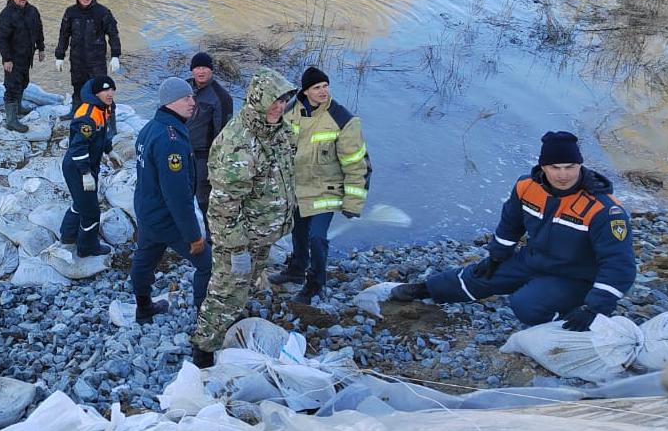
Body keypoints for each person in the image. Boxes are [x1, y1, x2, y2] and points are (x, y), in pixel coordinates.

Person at [391, 131, 636, 331]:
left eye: (570, 166)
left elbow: (620, 266)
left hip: (575, 277)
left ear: (580, 165)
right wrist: (497, 255)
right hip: (533, 260)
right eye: (555, 167)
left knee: (525, 305)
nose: (563, 175)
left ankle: (573, 316)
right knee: (479, 274)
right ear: (543, 166)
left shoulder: (604, 210)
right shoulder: (526, 187)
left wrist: (595, 307)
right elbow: (511, 223)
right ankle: (426, 289)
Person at [191, 68, 297, 367]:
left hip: (263, 234)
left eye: (284, 101)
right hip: (240, 239)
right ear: (257, 101)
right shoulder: (238, 142)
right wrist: (236, 249)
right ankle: (203, 349)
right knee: (225, 291)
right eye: (273, 101)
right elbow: (224, 205)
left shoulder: (281, 133)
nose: (279, 107)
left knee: (246, 286)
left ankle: (232, 327)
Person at [268, 67, 371, 303]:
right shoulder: (292, 109)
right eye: (317, 87)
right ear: (306, 91)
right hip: (298, 188)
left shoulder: (342, 119)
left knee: (317, 237)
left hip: (327, 190)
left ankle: (316, 283)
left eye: (325, 86)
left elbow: (357, 165)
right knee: (299, 232)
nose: (323, 91)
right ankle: (296, 270)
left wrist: (352, 203)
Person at [130, 78, 212, 335]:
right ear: (170, 102)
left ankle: (143, 308)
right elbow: (177, 196)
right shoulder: (172, 140)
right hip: (167, 218)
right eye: (186, 98)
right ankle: (205, 320)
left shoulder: (150, 128)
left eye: (192, 97)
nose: (192, 102)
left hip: (147, 212)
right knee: (207, 264)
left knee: (145, 259)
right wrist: (193, 236)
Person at [60, 75, 117, 257]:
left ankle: (68, 235)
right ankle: (87, 247)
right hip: (78, 166)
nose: (109, 93)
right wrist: (85, 173)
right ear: (96, 93)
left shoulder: (103, 108)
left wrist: (109, 150)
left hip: (87, 164)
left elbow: (101, 134)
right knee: (91, 210)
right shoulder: (87, 116)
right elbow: (78, 147)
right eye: (105, 90)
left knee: (81, 202)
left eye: (111, 89)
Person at [54, 0, 121, 117]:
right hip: (77, 59)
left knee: (103, 89)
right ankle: (76, 112)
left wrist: (115, 55)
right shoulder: (70, 12)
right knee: (78, 87)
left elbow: (113, 34)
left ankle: (109, 118)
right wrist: (59, 56)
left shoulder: (102, 12)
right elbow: (64, 35)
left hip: (97, 60)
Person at [184, 51, 235, 230]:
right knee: (181, 195)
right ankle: (187, 234)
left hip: (203, 156)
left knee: (203, 199)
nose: (201, 71)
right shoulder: (185, 89)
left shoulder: (221, 97)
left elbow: (224, 134)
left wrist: (217, 163)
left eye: (205, 67)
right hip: (182, 151)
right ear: (192, 71)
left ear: (211, 70)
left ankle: (211, 238)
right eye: (197, 68)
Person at [0, 0, 45, 134]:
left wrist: (41, 48)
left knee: (24, 82)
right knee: (12, 87)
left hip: (27, 56)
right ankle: (11, 120)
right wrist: (6, 59)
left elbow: (39, 30)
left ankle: (18, 108)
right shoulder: (6, 14)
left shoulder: (32, 11)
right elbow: (1, 39)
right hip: (13, 58)